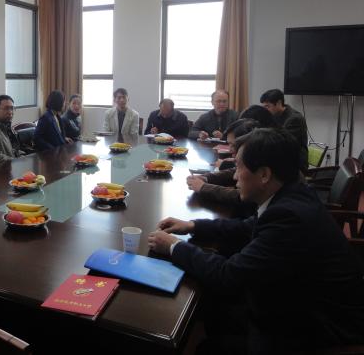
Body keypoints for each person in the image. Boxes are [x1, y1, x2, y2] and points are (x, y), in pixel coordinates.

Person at [149, 128, 364, 353]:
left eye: (239, 167)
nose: (234, 176)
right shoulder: (292, 194)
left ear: (264, 175)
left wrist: (173, 246)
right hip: (293, 299)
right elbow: (247, 226)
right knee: (213, 307)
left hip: (317, 327)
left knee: (208, 343)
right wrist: (193, 225)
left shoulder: (289, 217)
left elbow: (227, 275)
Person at [260, 88, 308, 171]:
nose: (265, 110)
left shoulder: (294, 119)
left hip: (294, 164)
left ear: (279, 103)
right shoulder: (274, 115)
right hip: (280, 158)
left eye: (267, 106)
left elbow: (284, 145)